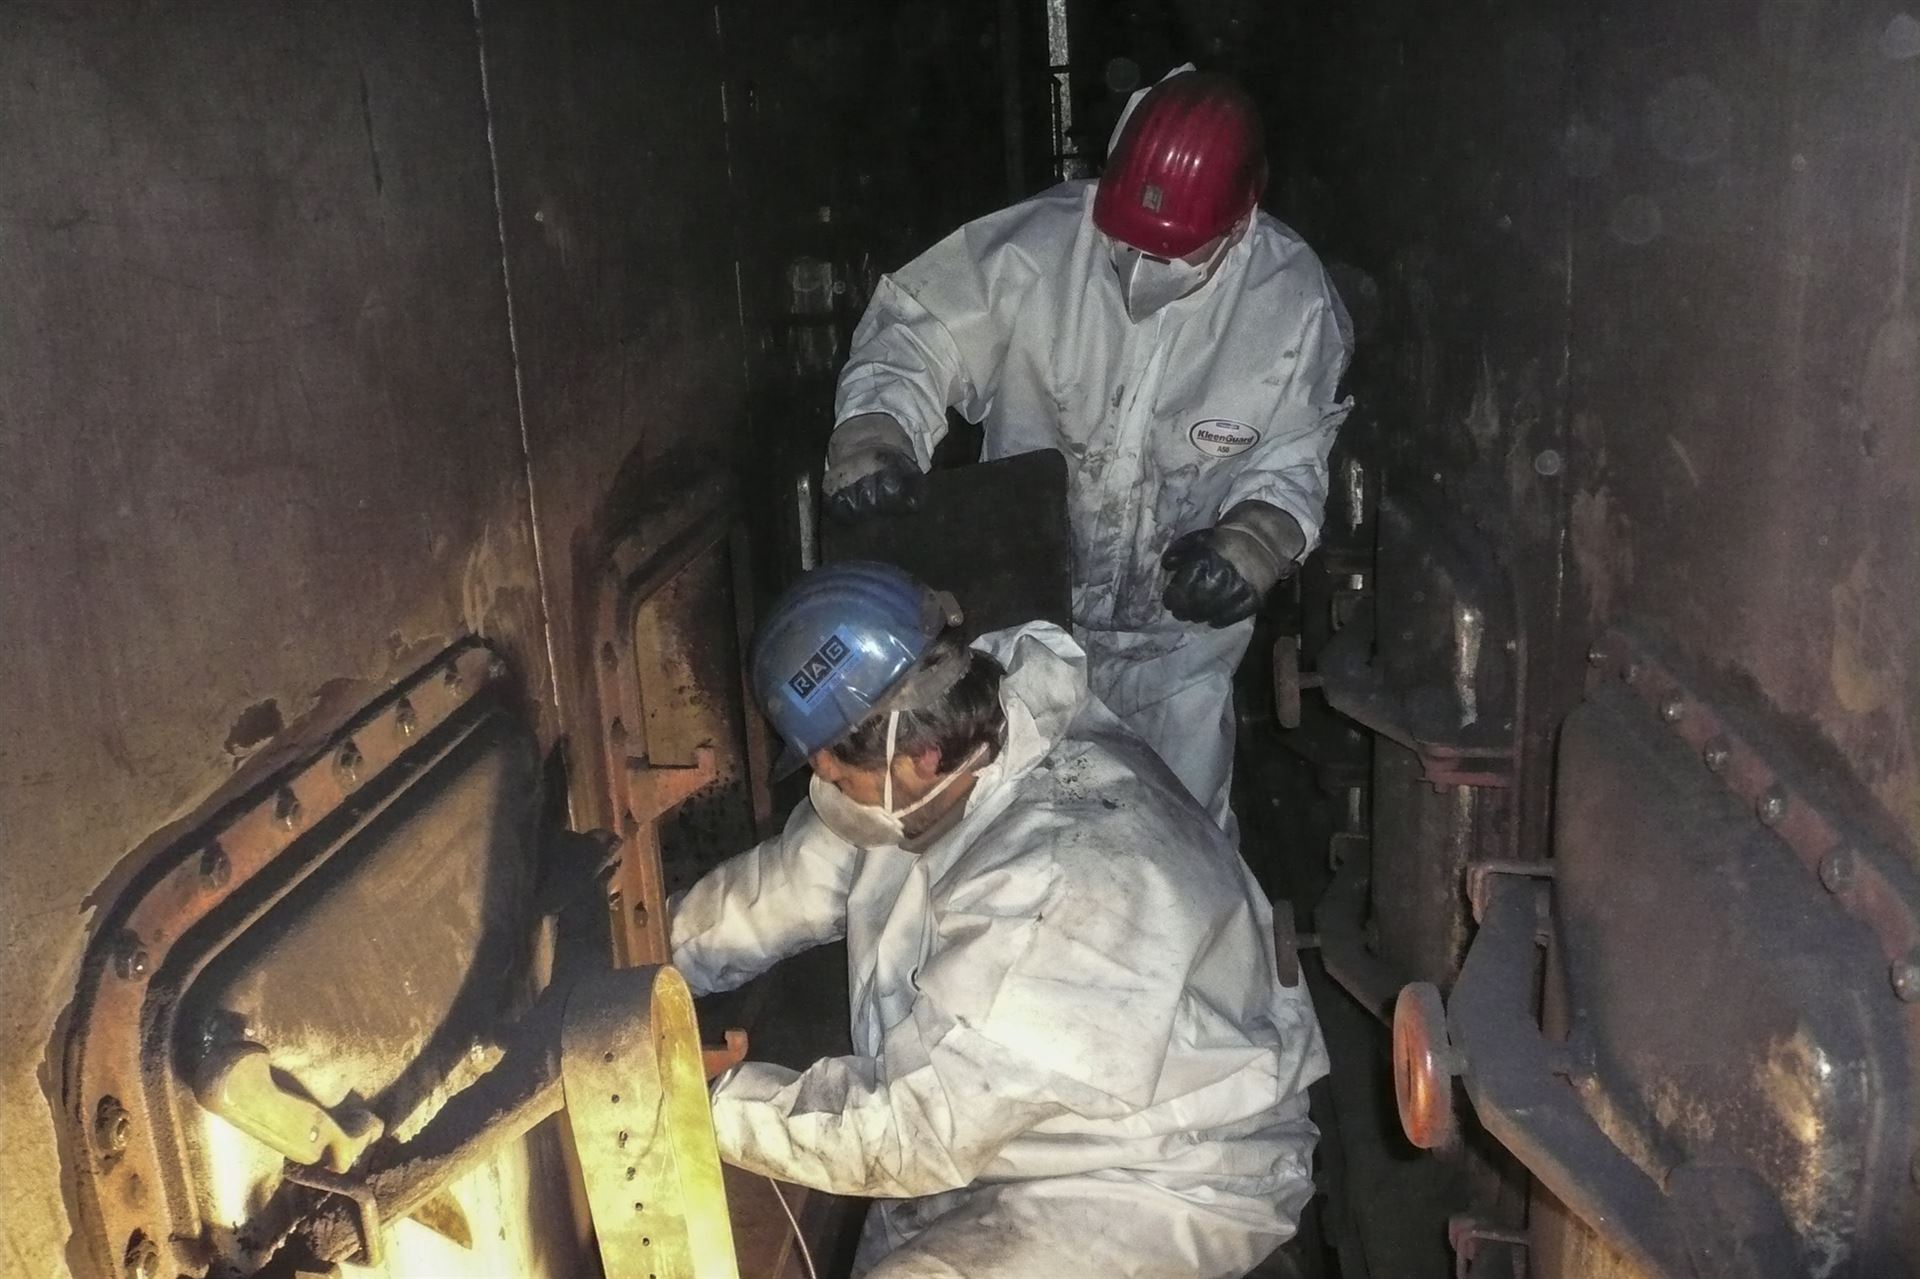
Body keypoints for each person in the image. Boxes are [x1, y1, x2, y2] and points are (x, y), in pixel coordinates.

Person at [671, 561, 1328, 1278]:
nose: (823, 780)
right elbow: (798, 877)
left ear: (917, 756)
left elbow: (916, 1130)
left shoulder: (1069, 892)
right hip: (1019, 1127)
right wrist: (656, 957)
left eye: (834, 771)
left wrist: (704, 1104)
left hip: (1159, 1172)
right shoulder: (963, 753)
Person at [821, 69, 1353, 833]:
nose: (1140, 269)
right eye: (1125, 242)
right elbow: (918, 336)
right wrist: (877, 430)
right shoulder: (1033, 250)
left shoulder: (1291, 302)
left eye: (1172, 254)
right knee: (1009, 837)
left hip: (1175, 653)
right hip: (1024, 632)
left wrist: (1255, 541)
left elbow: (1294, 453)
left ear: (1240, 222)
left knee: (1180, 842)